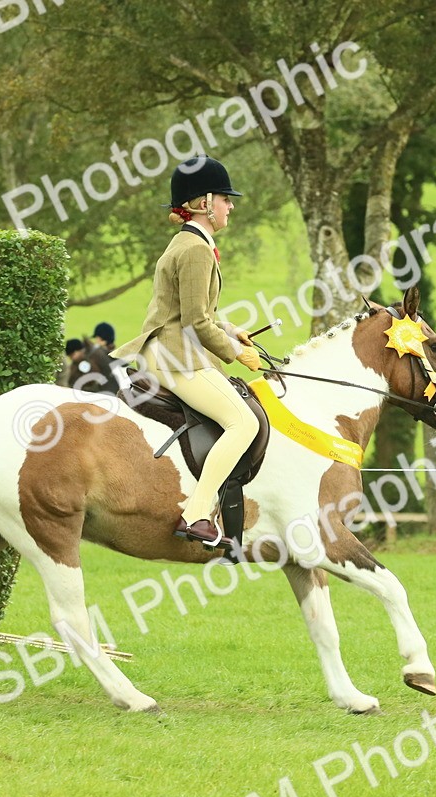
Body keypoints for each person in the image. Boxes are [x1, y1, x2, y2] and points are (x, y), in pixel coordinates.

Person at [112, 155, 261, 546]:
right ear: (205, 202)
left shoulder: (191, 243)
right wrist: (234, 351)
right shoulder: (195, 249)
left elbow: (199, 312)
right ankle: (196, 514)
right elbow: (195, 321)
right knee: (244, 423)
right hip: (175, 356)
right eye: (226, 199)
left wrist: (233, 329)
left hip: (171, 349)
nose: (231, 206)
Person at [81, 322, 119, 395]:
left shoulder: (99, 357)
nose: (95, 341)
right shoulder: (116, 356)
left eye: (96, 338)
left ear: (102, 340)